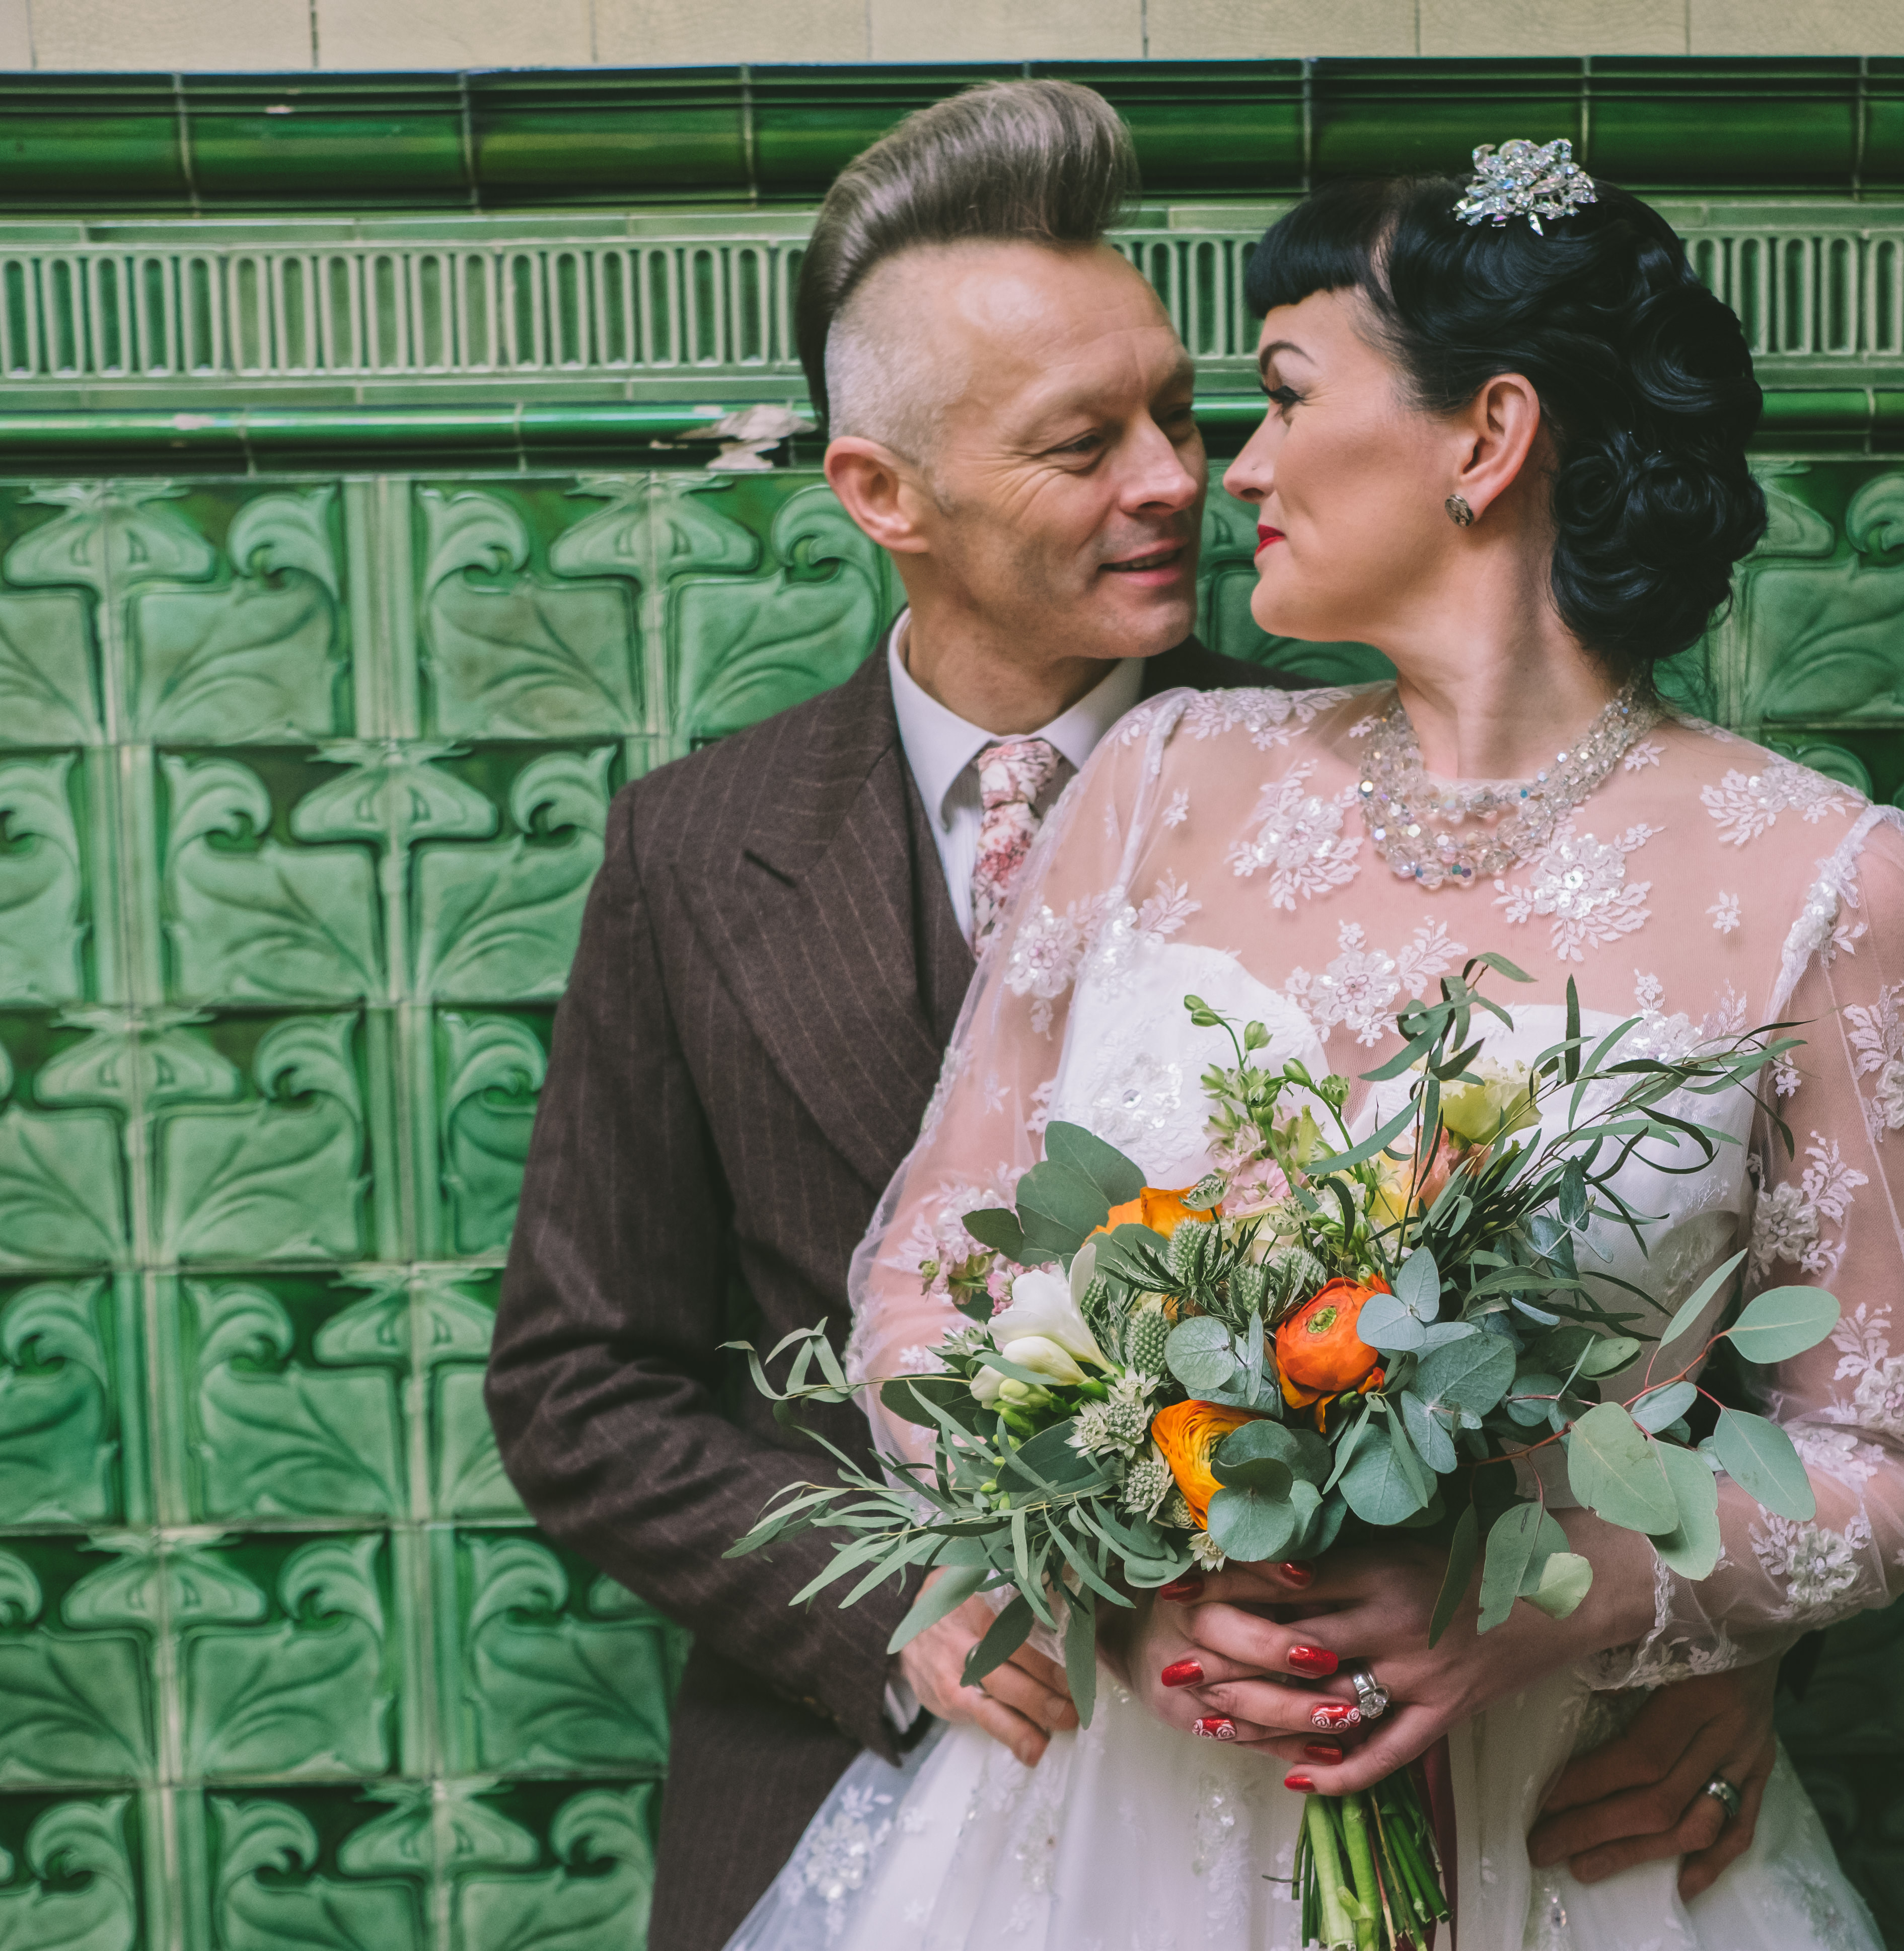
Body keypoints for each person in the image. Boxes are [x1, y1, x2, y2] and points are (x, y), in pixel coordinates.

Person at [486, 85, 1784, 1951]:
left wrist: (1706, 1651)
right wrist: (902, 1609)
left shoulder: (1368, 775)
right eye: (1081, 443)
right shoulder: (694, 850)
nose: (1180, 477)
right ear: (883, 494)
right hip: (876, 1776)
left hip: (1433, 1794)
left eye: (1182, 410)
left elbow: (1667, 1262)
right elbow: (579, 1378)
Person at [729, 144, 1904, 1951]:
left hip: (1562, 1830)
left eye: (1283, 393)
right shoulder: (1159, 783)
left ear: (1484, 438)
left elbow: (1894, 1455)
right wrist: (1106, 1565)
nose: (1228, 467)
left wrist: (1547, 1596)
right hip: (1095, 1819)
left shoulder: (1832, 891)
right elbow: (927, 1282)